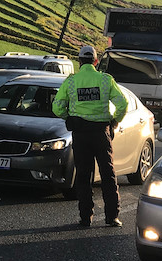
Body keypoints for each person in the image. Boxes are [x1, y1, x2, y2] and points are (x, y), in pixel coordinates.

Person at [52, 45, 128, 227]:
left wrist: (69, 117)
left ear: (79, 62)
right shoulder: (105, 80)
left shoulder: (71, 82)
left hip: (80, 134)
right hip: (101, 133)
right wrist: (114, 121)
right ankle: (112, 217)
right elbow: (123, 104)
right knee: (108, 173)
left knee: (83, 176)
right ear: (95, 61)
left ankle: (85, 217)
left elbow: (57, 107)